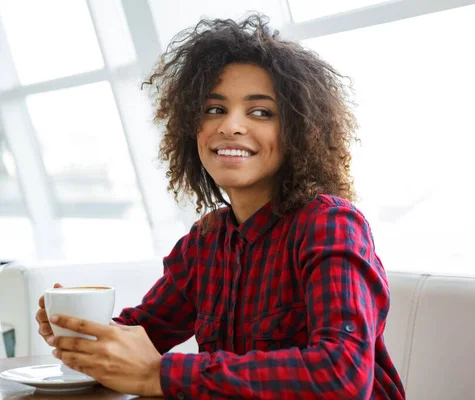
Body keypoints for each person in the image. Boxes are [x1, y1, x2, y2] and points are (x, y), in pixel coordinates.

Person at [34, 14, 405, 399]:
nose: (230, 126)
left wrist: (162, 375)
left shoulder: (330, 224)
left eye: (261, 112)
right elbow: (144, 333)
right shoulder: (206, 242)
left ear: (299, 131)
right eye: (214, 109)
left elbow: (342, 376)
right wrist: (80, 331)